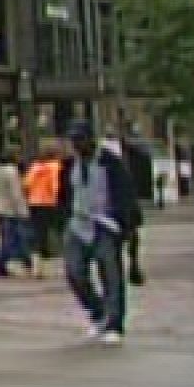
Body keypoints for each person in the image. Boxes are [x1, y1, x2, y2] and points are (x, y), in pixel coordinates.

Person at [55, 120, 141, 346]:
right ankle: (98, 311)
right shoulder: (68, 166)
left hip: (105, 224)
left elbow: (126, 194)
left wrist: (126, 224)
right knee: (75, 273)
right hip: (77, 223)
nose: (77, 145)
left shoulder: (110, 163)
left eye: (81, 140)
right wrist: (60, 221)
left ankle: (114, 324)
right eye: (73, 141)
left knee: (111, 275)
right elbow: (64, 196)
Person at [0, 148, 31, 279]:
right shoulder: (12, 172)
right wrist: (23, 211)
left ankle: (6, 264)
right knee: (13, 238)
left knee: (7, 237)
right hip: (11, 210)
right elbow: (16, 194)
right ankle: (3, 263)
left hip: (0, 209)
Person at [23, 146, 63, 278]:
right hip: (49, 202)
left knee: (38, 232)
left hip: (34, 202)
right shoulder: (55, 167)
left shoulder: (35, 167)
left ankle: (37, 264)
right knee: (54, 230)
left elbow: (26, 183)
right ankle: (53, 256)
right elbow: (55, 185)